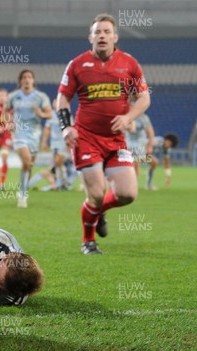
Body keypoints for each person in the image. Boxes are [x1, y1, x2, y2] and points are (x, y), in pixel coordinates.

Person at [57, 13, 151, 254]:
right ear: (90, 37)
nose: (102, 35)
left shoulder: (128, 64)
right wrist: (66, 126)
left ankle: (99, 212)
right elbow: (63, 98)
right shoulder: (77, 65)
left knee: (128, 194)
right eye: (97, 31)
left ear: (115, 37)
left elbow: (143, 97)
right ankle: (88, 241)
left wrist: (129, 117)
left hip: (116, 140)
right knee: (97, 194)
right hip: (86, 138)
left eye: (106, 31)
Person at [5, 70, 52, 208]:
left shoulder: (40, 97)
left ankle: (23, 190)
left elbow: (49, 114)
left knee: (29, 165)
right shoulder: (13, 96)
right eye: (24, 77)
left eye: (29, 77)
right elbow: (5, 111)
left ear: (33, 80)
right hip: (19, 133)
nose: (27, 79)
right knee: (26, 161)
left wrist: (41, 114)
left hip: (35, 134)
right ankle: (22, 195)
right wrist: (8, 122)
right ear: (20, 80)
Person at [41, 98, 72, 189]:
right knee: (58, 163)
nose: (55, 104)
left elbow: (72, 128)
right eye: (54, 102)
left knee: (59, 161)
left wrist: (69, 144)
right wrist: (44, 142)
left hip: (63, 142)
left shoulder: (66, 114)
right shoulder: (51, 116)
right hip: (54, 143)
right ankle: (62, 183)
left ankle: (63, 182)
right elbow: (47, 129)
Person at [125, 113, 156, 190]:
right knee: (135, 163)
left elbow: (150, 132)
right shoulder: (125, 115)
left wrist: (149, 146)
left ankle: (148, 184)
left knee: (153, 162)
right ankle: (132, 185)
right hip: (128, 145)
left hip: (140, 145)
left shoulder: (143, 118)